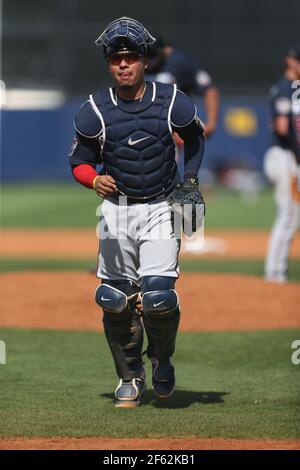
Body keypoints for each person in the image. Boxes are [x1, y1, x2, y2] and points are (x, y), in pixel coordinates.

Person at [69, 17, 205, 408]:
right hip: (117, 209)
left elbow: (195, 140)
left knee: (159, 297)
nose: (123, 64)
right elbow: (79, 160)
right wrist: (92, 180)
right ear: (109, 65)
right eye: (116, 59)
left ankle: (162, 361)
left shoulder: (172, 100)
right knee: (114, 297)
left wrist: (190, 181)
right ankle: (129, 376)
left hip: (163, 204)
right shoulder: (94, 110)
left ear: (145, 61)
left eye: (130, 57)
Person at [264, 47, 300, 283]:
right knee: (287, 215)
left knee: (292, 216)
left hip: (290, 156)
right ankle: (274, 272)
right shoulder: (285, 87)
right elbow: (281, 127)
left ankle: (278, 270)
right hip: (285, 157)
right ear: (289, 61)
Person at [146, 36, 219, 138]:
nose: (148, 64)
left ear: (163, 51)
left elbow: (209, 89)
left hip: (176, 119)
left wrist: (211, 124)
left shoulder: (182, 62)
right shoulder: (137, 64)